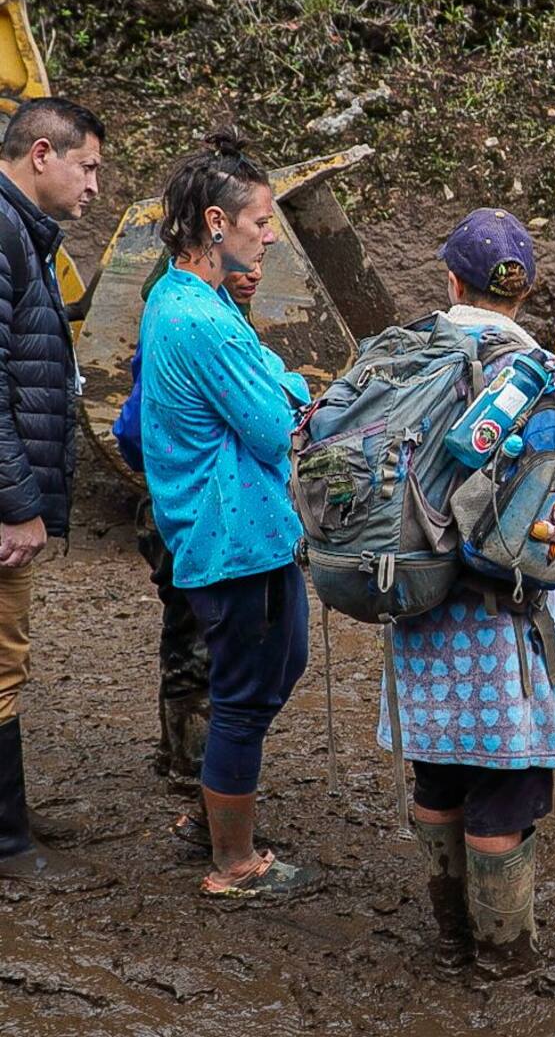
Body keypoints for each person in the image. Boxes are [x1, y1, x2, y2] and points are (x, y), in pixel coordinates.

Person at [379, 208, 555, 976]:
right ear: (526, 290)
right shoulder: (549, 375)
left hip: (414, 605)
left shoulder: (406, 355)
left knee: (437, 776)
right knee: (503, 792)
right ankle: (502, 953)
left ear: (451, 280)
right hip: (502, 623)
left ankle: (450, 932)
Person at [139, 128, 315, 899]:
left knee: (278, 668)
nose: (270, 236)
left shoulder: (188, 299)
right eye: (261, 222)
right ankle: (233, 864)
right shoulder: (203, 319)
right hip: (231, 533)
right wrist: (294, 395)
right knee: (244, 697)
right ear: (217, 224)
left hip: (243, 528)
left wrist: (289, 389)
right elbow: (280, 419)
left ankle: (214, 811)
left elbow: (281, 382)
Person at [113, 257, 264, 851]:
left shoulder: (185, 324)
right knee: (203, 642)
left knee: (184, 630)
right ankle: (197, 771)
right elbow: (131, 430)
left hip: (172, 505)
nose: (253, 274)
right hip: (195, 512)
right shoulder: (192, 331)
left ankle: (178, 750)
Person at [0, 96, 105, 883]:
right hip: (4, 499)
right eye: (88, 166)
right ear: (43, 153)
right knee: (2, 660)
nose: (94, 186)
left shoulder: (22, 233)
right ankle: (6, 845)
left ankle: (11, 818)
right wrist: (18, 502)